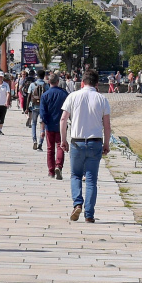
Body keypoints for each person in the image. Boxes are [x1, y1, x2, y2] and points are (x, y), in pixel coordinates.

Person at [59, 69, 110, 223]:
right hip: (95, 142)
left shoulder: (72, 96)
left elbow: (63, 119)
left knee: (75, 175)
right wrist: (106, 144)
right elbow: (107, 126)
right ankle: (89, 214)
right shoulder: (102, 99)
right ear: (96, 84)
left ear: (82, 82)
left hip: (77, 141)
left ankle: (77, 203)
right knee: (91, 179)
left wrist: (63, 140)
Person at [39, 74, 69, 178]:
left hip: (50, 125)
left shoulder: (45, 95)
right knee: (60, 146)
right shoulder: (64, 94)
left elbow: (42, 113)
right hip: (61, 125)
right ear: (58, 82)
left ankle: (51, 171)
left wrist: (45, 124)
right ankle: (59, 166)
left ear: (49, 82)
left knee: (50, 149)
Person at [25, 69, 45, 149]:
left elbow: (29, 96)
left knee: (33, 123)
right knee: (42, 125)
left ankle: (34, 140)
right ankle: (40, 142)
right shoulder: (46, 85)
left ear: (37, 76)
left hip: (34, 106)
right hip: (43, 108)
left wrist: (26, 108)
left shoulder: (33, 84)